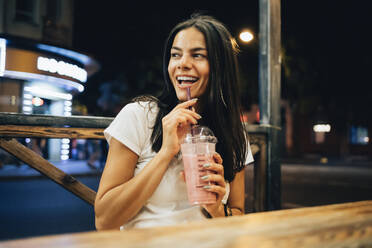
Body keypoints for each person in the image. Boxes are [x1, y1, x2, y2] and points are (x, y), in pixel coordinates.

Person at [94, 13, 254, 230]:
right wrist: (165, 153)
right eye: (175, 55)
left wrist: (217, 210)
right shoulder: (139, 116)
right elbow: (105, 220)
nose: (182, 64)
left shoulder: (231, 130)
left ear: (221, 66)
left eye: (198, 55)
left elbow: (238, 215)